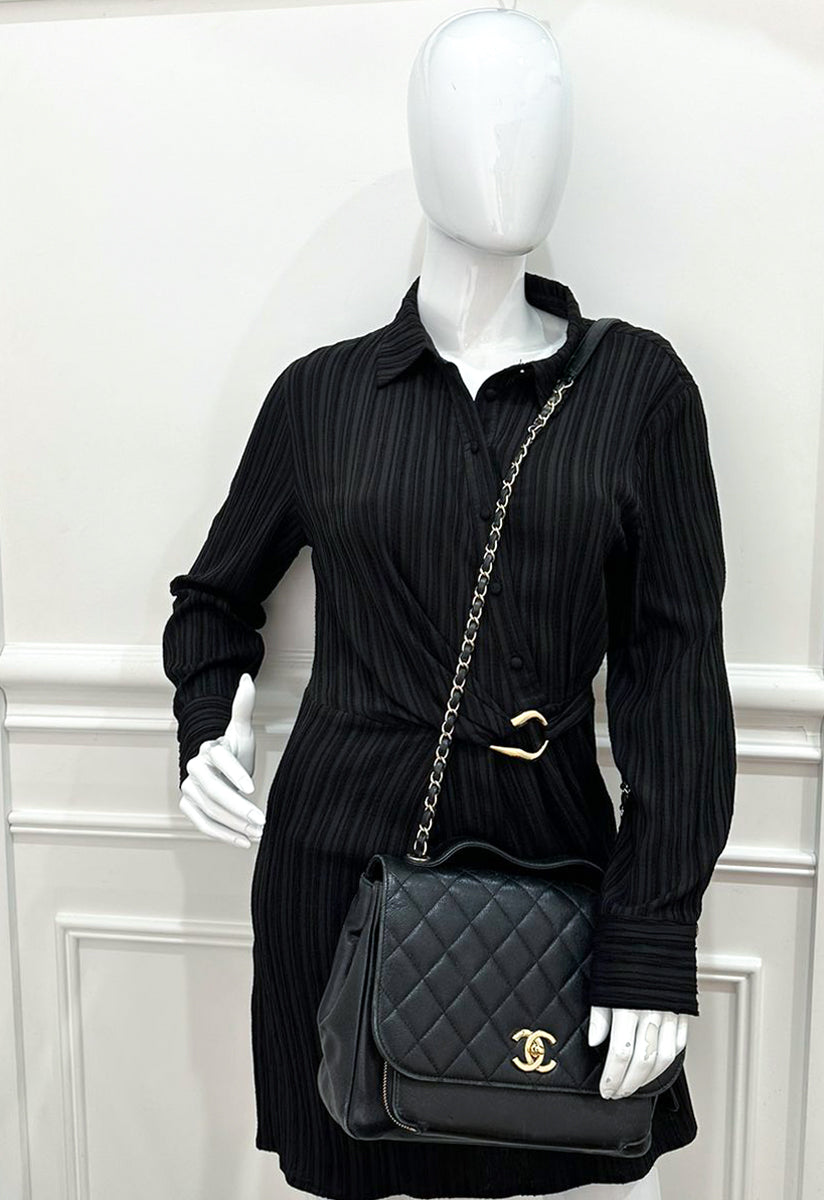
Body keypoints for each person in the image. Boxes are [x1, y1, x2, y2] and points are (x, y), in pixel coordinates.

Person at [162, 8, 736, 1198]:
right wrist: (212, 722)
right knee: (353, 1152)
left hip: (551, 870)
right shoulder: (322, 396)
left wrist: (650, 933)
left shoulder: (634, 389)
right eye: (471, 115)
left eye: (538, 119)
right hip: (334, 863)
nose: (508, 150)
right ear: (417, 141)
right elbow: (212, 600)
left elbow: (674, 673)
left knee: (534, 1153)